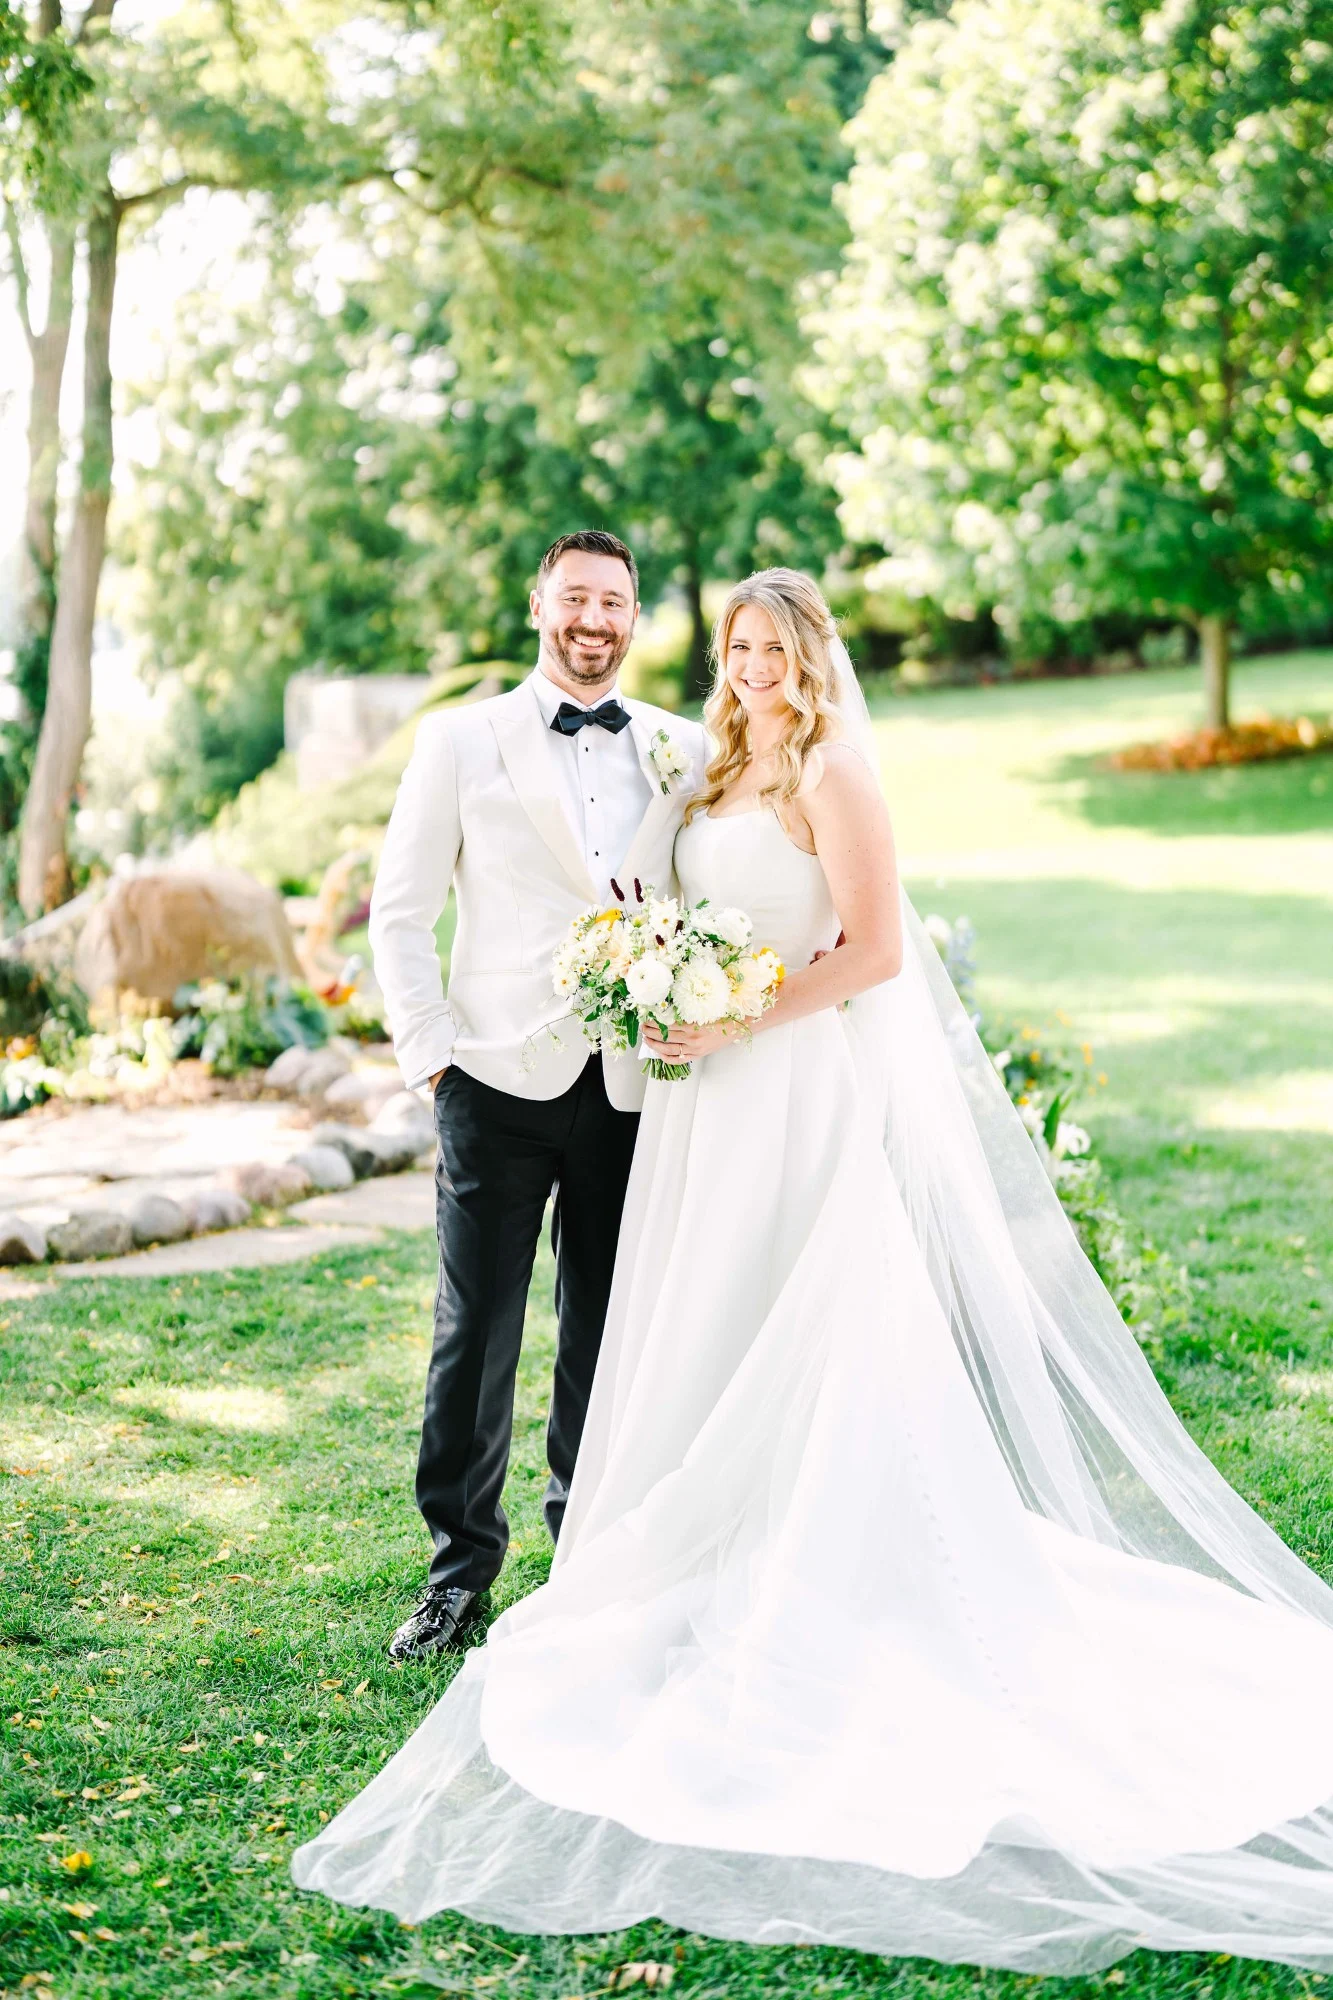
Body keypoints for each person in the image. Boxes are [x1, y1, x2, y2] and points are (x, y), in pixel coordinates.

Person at [297, 568, 1333, 1971]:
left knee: (792, 1321)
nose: (754, 662)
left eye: (774, 644)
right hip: (669, 1098)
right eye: (737, 642)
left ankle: (794, 1563)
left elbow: (877, 948)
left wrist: (735, 1013)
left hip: (776, 1088)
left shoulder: (823, 767)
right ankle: (515, 1558)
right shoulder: (698, 758)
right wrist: (575, 1022)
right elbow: (446, 904)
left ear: (811, 654)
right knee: (632, 1323)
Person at [367, 528, 704, 1660]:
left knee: (607, 1330)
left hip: (631, 1084)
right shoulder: (460, 741)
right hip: (495, 1080)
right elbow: (400, 911)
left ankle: (588, 1554)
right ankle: (458, 1573)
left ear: (635, 613)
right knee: (477, 1333)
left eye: (613, 600)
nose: (593, 620)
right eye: (574, 598)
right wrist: (433, 1052)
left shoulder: (679, 746)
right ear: (538, 605)